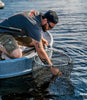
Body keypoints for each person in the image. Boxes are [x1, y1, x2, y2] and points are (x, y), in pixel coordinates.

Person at [0, 10, 62, 76]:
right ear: (45, 20)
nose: (50, 29)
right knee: (17, 55)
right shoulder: (33, 23)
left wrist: (42, 39)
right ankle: (1, 47)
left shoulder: (39, 16)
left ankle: (14, 43)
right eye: (50, 27)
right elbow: (40, 51)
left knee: (34, 44)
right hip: (3, 32)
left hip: (16, 32)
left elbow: (37, 29)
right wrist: (51, 68)